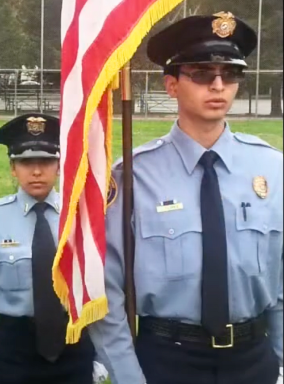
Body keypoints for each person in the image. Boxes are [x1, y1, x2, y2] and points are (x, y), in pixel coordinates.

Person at [88, 11, 283, 384]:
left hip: (253, 360)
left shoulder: (272, 169)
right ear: (172, 85)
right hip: (167, 361)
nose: (218, 85)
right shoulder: (131, 176)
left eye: (231, 74)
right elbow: (105, 290)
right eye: (202, 74)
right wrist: (129, 376)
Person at [0, 113, 104, 384]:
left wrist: (100, 356)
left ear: (59, 165)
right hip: (13, 352)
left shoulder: (79, 217)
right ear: (13, 168)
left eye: (46, 161)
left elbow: (96, 290)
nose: (36, 171)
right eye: (26, 162)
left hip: (73, 346)